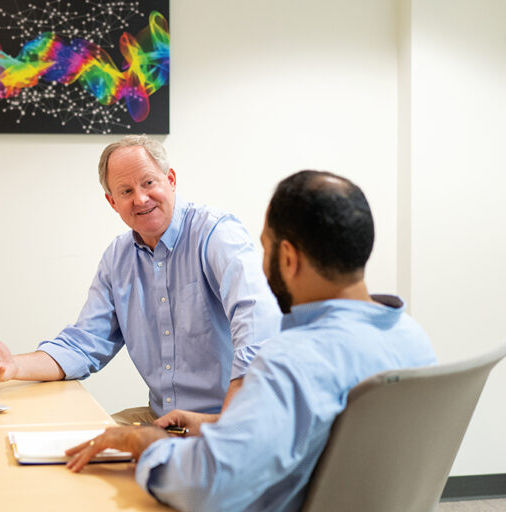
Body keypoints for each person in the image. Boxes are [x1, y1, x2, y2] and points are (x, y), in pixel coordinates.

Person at [64, 170, 438, 512]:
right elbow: (322, 431)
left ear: (287, 258)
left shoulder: (291, 360)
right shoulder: (412, 338)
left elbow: (204, 487)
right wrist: (218, 424)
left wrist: (144, 444)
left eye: (265, 248)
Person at [0, 135, 282, 422]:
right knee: (70, 446)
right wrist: (14, 367)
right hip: (163, 420)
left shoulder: (215, 234)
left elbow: (258, 321)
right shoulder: (117, 259)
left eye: (149, 183)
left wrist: (233, 421)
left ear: (170, 180)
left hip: (226, 417)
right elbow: (84, 344)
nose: (141, 199)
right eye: (126, 191)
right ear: (112, 202)